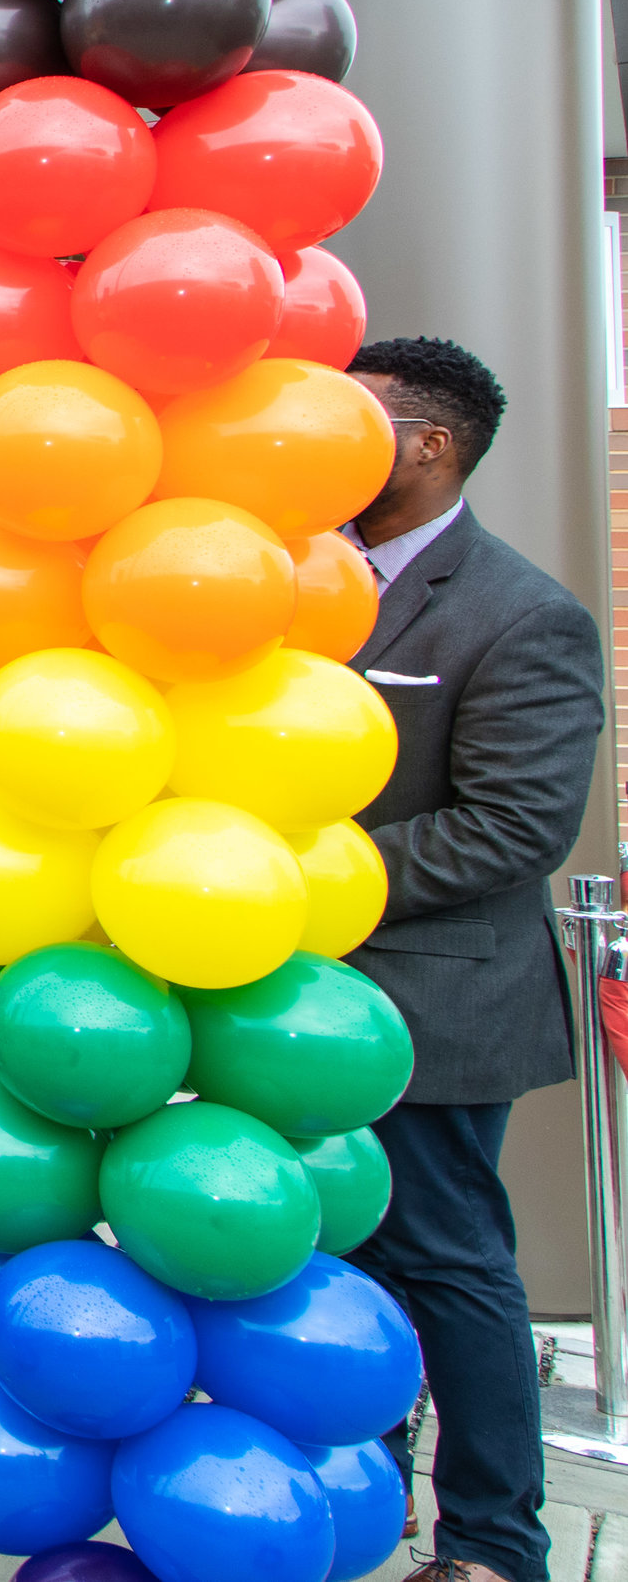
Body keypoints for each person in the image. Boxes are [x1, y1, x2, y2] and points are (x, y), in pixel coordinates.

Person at [338, 338, 603, 1582]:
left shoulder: (523, 612)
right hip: (300, 1004)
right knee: (334, 1260)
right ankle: (359, 1490)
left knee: (447, 1267)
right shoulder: (291, 581)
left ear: (431, 444)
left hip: (433, 1008)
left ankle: (496, 1543)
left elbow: (511, 829)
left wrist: (297, 884)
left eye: (357, 414)